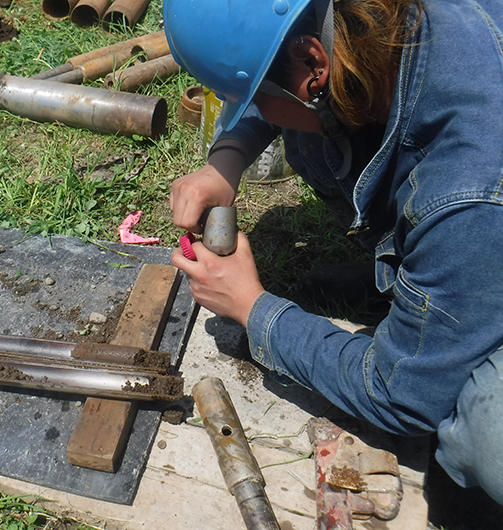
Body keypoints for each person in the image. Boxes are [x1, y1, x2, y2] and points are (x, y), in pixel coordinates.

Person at [164, 0, 503, 503]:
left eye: (250, 95)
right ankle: (426, 277)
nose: (248, 107)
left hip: (482, 219)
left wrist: (253, 308)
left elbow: (401, 395)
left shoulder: (465, 193)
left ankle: (444, 283)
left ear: (314, 64)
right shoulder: (365, 25)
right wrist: (226, 162)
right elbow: (284, 85)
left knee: (484, 428)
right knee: (314, 132)